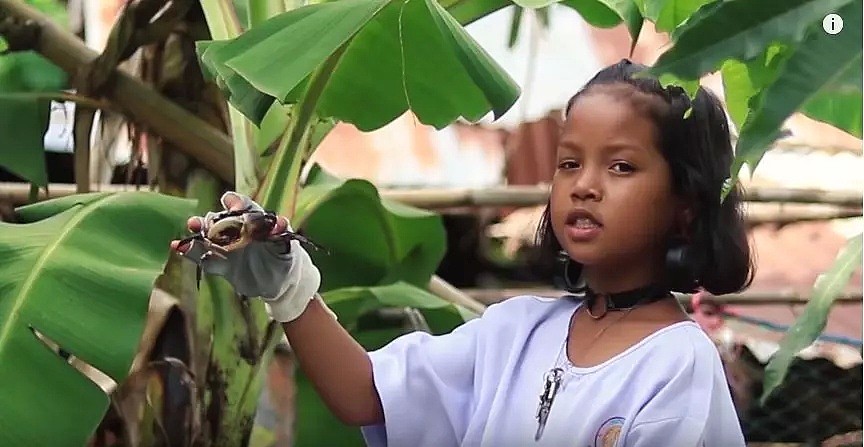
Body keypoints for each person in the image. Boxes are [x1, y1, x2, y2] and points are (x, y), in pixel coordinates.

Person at [171, 59, 755, 447]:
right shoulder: (514, 331)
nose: (584, 185)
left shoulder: (678, 366)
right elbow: (367, 394)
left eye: (621, 166)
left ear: (686, 202)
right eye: (569, 162)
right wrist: (290, 288)